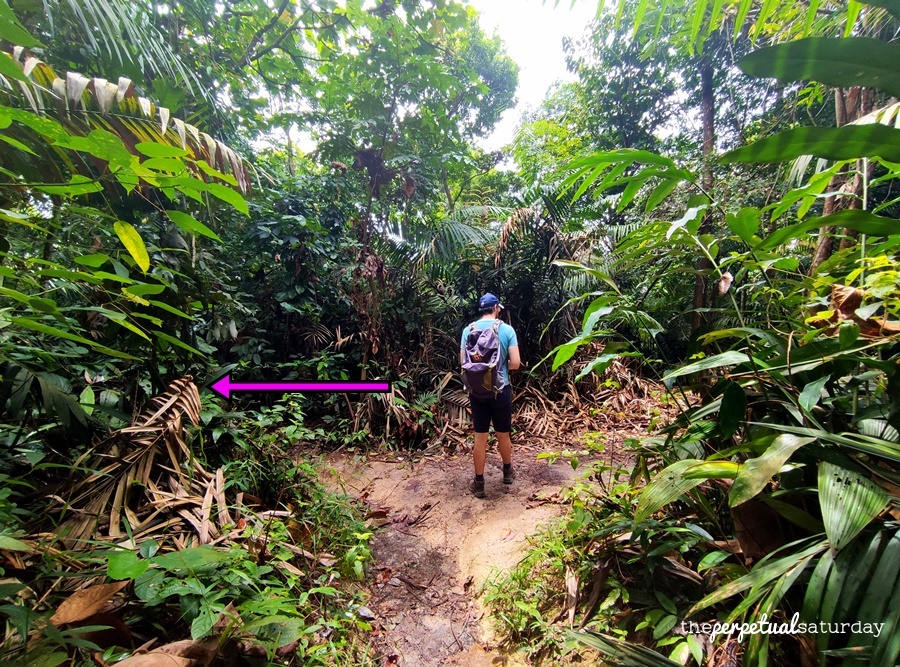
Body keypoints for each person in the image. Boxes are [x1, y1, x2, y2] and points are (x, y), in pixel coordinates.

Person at [460, 293, 521, 498]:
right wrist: (499, 367)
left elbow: (463, 362)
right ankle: (507, 472)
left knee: (480, 436)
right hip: (500, 390)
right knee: (503, 433)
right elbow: (515, 363)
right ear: (496, 308)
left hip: (477, 391)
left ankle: (479, 482)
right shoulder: (506, 330)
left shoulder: (468, 330)